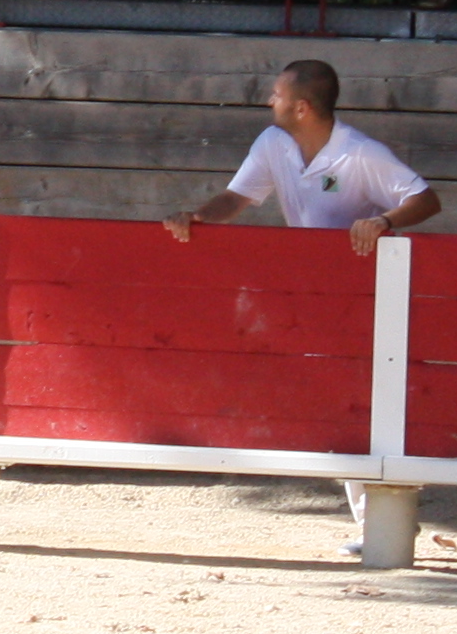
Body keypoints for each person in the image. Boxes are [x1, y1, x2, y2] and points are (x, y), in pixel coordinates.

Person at [163, 58, 441, 555]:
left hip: (365, 292)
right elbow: (237, 196)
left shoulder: (359, 153)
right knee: (342, 404)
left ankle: (383, 519)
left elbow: (423, 198)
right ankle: (377, 518)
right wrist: (198, 218)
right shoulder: (273, 144)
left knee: (361, 402)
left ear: (302, 107)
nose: (269, 100)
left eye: (276, 94)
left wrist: (382, 221)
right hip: (314, 292)